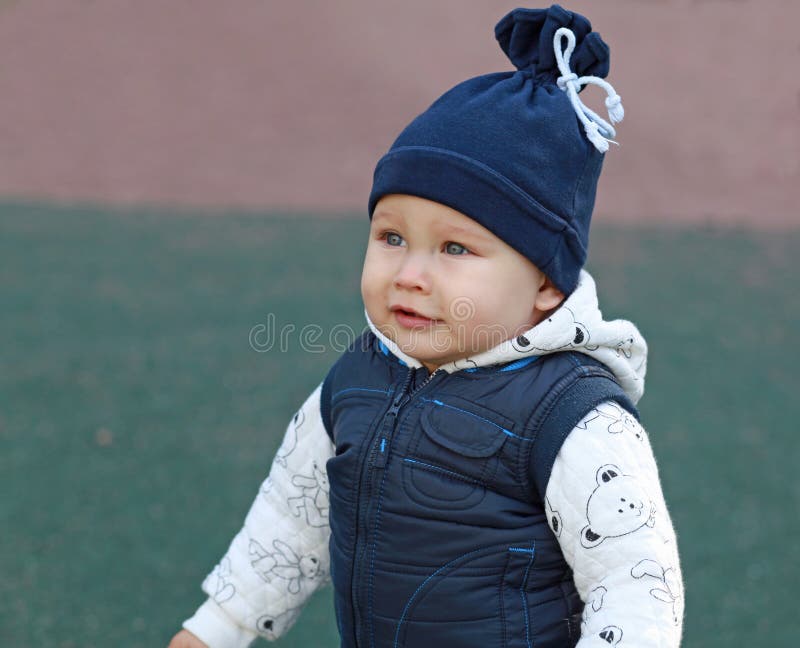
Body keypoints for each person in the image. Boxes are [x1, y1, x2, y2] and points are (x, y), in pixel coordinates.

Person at [168, 5, 683, 647]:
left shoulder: (573, 419)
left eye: (454, 249)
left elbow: (636, 590)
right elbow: (290, 520)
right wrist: (221, 626)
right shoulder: (355, 381)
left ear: (546, 284)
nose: (410, 273)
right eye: (391, 237)